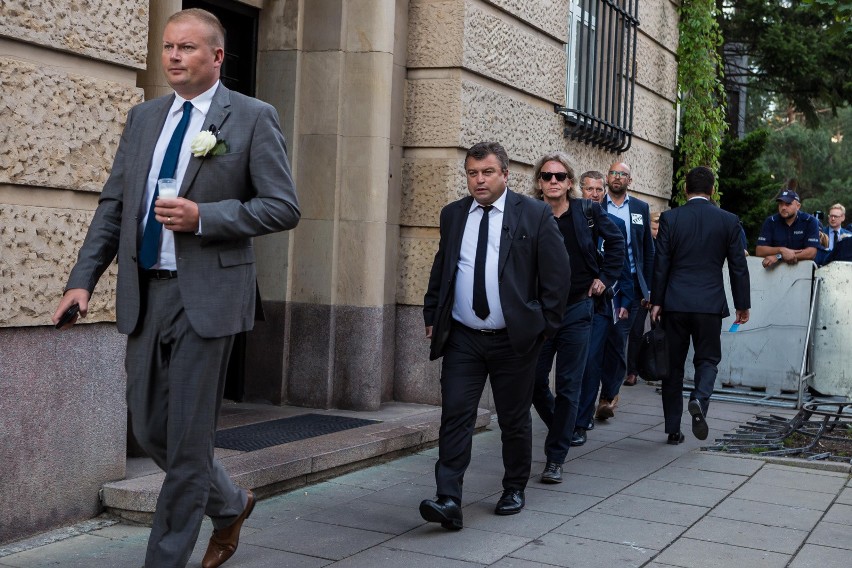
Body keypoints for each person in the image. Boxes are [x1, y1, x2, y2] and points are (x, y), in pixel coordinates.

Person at [52, 9, 300, 568]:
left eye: (186, 47)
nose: (173, 56)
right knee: (148, 426)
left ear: (216, 57)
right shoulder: (144, 118)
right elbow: (114, 206)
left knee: (188, 445)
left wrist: (204, 217)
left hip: (209, 299)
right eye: (167, 46)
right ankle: (230, 503)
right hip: (147, 294)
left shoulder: (253, 117)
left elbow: (283, 206)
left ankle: (164, 560)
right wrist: (81, 281)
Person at [420, 142, 570, 529]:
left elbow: (557, 278)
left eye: (487, 172)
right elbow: (443, 267)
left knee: (514, 418)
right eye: (472, 173)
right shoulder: (453, 215)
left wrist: (542, 328)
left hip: (514, 339)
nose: (479, 180)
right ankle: (448, 497)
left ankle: (514, 487)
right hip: (464, 337)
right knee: (455, 412)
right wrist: (431, 311)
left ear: (505, 174)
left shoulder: (533, 214)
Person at [529, 156, 625, 482]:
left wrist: (605, 278)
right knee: (533, 380)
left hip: (578, 309)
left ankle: (555, 458)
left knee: (570, 385)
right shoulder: (530, 214)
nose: (553, 181)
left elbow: (617, 242)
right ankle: (563, 425)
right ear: (539, 182)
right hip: (540, 312)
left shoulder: (588, 211)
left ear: (569, 182)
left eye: (559, 176)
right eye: (547, 176)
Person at [650, 167, 750, 444]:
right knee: (707, 359)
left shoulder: (670, 218)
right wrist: (742, 304)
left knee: (672, 366)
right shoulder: (728, 221)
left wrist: (656, 301)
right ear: (713, 191)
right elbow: (738, 268)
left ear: (685, 189)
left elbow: (661, 264)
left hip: (675, 303)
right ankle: (699, 397)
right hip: (709, 304)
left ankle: (672, 429)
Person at [573, 170, 633, 446]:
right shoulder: (572, 219)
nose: (595, 194)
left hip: (602, 305)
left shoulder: (614, 224)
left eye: (599, 190)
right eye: (590, 189)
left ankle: (583, 418)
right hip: (571, 303)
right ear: (580, 190)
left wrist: (624, 301)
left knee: (591, 361)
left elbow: (625, 267)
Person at [597, 162, 654, 419]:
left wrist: (649, 290)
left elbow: (648, 252)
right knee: (597, 339)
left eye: (623, 174)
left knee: (618, 338)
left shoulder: (640, 208)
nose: (617, 177)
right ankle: (592, 393)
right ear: (607, 178)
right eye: (613, 173)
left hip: (629, 285)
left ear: (630, 180)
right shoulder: (596, 206)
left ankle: (608, 396)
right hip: (601, 283)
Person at [624, 210, 661, 386]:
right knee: (636, 331)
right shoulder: (644, 245)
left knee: (657, 332)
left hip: (658, 293)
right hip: (641, 292)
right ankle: (632, 371)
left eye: (659, 228)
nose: (657, 231)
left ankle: (656, 368)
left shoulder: (664, 244)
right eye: (654, 227)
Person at [755, 189, 819, 268]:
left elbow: (811, 252)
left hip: (803, 272)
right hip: (774, 272)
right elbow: (759, 251)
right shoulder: (771, 221)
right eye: (781, 204)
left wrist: (779, 256)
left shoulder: (809, 221)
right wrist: (781, 250)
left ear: (798, 206)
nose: (783, 207)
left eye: (788, 204)